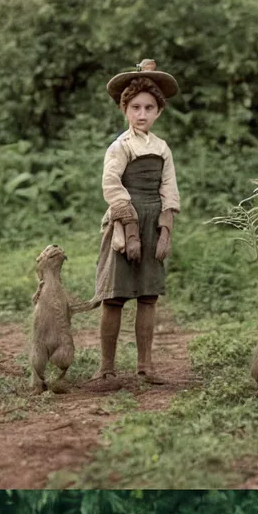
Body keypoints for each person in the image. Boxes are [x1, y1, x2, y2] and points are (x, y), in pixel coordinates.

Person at [91, 60, 180, 386]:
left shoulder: (162, 148)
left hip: (152, 222)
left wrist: (165, 230)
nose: (142, 114)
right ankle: (106, 368)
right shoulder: (120, 146)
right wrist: (129, 232)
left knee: (148, 296)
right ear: (124, 110)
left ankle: (145, 366)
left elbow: (169, 188)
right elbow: (111, 186)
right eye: (135, 107)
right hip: (124, 222)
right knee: (114, 296)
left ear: (158, 112)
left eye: (149, 107)